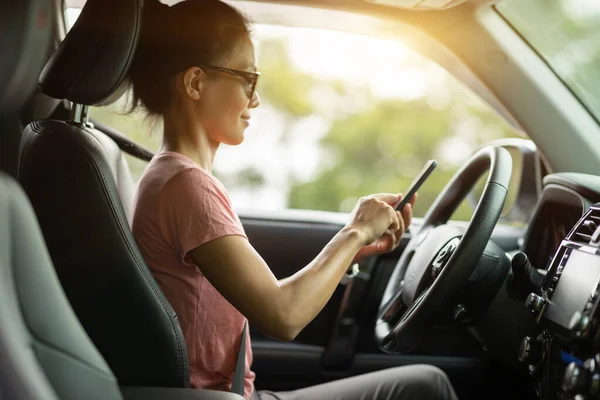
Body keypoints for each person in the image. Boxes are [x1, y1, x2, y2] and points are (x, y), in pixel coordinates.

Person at [129, 1, 459, 399]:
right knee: (426, 387)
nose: (255, 100)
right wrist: (354, 232)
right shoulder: (186, 187)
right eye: (247, 79)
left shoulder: (172, 178)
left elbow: (264, 296)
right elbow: (282, 316)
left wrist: (353, 250)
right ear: (196, 83)